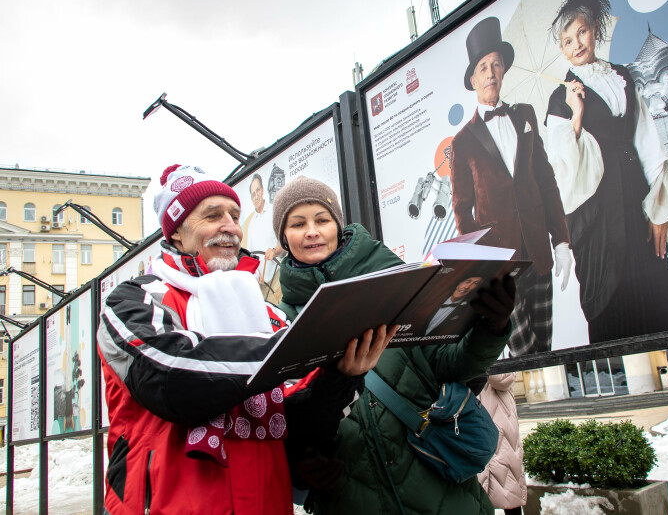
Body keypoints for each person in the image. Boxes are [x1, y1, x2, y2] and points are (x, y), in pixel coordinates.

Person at [96, 165, 395, 515]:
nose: (230, 226)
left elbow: (293, 420)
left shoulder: (268, 317)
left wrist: (341, 376)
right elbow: (174, 377)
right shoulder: (136, 299)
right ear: (176, 231)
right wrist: (295, 346)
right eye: (213, 215)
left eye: (235, 215)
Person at [272, 176, 517, 514]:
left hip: (445, 495)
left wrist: (493, 326)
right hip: (353, 499)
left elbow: (454, 366)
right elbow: (283, 415)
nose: (312, 231)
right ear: (284, 238)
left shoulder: (396, 282)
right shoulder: (280, 322)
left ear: (338, 226)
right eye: (298, 224)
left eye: (322, 219)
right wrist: (301, 462)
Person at [545, 0, 668, 343]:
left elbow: (648, 141)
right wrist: (576, 116)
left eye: (581, 32)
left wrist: (659, 210)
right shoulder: (559, 98)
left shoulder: (623, 76)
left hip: (637, 198)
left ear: (595, 29)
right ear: (562, 49)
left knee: (656, 286)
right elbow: (562, 172)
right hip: (596, 217)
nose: (576, 44)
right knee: (610, 304)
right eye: (567, 41)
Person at [451, 16, 571, 356]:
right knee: (522, 353)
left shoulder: (526, 116)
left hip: (539, 254)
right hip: (502, 269)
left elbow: (546, 183)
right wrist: (482, 267)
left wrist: (561, 239)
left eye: (496, 65)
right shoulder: (461, 143)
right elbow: (462, 214)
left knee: (545, 350)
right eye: (483, 67)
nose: (491, 72)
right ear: (473, 79)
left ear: (503, 71)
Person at [476, 372, 527, 515]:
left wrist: (481, 359)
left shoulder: (499, 353)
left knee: (509, 492)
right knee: (477, 497)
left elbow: (504, 379)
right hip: (476, 425)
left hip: (501, 429)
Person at [242, 172, 285, 301]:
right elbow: (249, 254)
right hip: (260, 285)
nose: (256, 196)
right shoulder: (251, 223)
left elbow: (285, 243)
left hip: (277, 279)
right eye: (253, 194)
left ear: (263, 190)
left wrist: (274, 251)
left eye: (257, 191)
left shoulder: (274, 211)